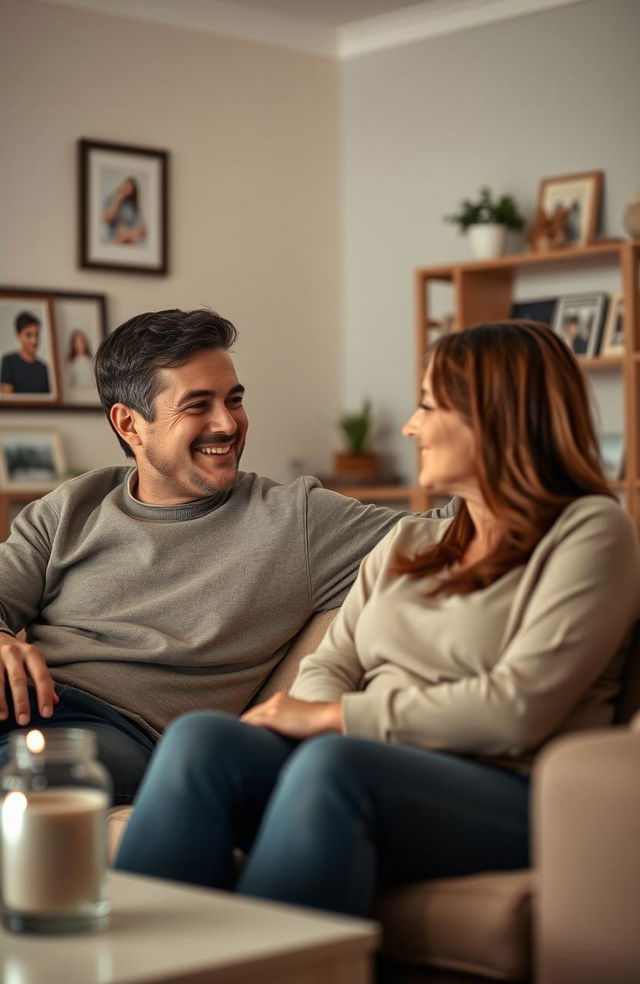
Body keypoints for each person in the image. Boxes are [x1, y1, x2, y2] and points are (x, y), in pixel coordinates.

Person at [115, 319, 640, 920]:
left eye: (426, 405)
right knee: (202, 739)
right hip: (370, 761)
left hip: (510, 788)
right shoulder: (413, 539)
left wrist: (335, 718)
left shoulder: (592, 532)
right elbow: (332, 661)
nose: (411, 426)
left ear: (495, 415)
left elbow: (516, 709)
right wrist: (315, 711)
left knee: (335, 765)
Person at [0, 308, 450, 805]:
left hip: (115, 734)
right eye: (198, 405)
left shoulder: (297, 520)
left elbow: (447, 532)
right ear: (129, 424)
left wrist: (501, 435)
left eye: (233, 400)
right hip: (20, 701)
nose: (227, 423)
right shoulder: (71, 507)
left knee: (28, 777)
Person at [0, 311, 50, 394]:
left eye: (36, 335)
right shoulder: (9, 362)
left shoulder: (44, 368)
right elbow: (8, 398)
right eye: (28, 335)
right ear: (18, 336)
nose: (34, 341)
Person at [102, 176, 147, 244]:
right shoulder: (110, 199)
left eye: (129, 188)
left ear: (132, 192)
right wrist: (117, 199)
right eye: (125, 185)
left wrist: (129, 232)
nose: (126, 189)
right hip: (115, 238)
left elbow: (144, 229)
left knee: (135, 238)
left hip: (130, 237)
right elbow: (106, 219)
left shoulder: (133, 206)